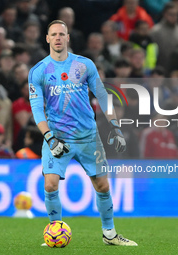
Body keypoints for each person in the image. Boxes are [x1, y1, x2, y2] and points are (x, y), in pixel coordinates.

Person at [29, 20, 137, 246]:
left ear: (68, 38)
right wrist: (49, 138)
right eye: (54, 34)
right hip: (57, 137)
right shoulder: (38, 71)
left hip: (88, 136)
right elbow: (37, 109)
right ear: (47, 39)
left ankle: (109, 234)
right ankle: (55, 231)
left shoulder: (84, 65)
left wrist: (116, 127)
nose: (58, 38)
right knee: (50, 185)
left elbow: (103, 95)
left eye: (62, 34)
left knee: (103, 186)